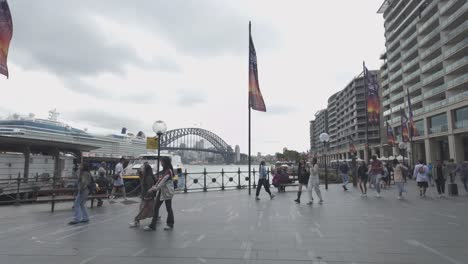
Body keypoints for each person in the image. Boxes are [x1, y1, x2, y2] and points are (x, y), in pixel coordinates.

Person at [144, 156, 175, 231]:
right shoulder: (166, 170)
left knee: (167, 207)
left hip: (167, 192)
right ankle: (153, 225)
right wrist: (154, 186)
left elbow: (161, 182)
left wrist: (152, 189)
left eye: (162, 162)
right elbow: (160, 181)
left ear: (165, 162)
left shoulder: (168, 171)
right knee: (158, 207)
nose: (161, 163)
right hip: (163, 192)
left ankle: (169, 224)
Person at [129, 162, 156, 227]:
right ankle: (156, 217)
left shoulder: (148, 178)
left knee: (143, 210)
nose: (141, 169)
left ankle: (136, 221)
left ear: (146, 170)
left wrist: (147, 196)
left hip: (147, 197)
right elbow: (140, 177)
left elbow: (150, 188)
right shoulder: (144, 176)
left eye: (142, 168)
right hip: (146, 197)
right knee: (151, 209)